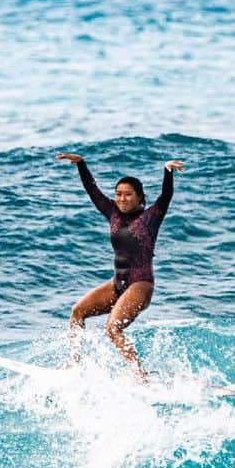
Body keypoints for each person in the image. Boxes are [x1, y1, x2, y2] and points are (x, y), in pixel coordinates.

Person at [56, 152, 184, 379]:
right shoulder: (112, 212)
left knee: (112, 329)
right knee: (77, 313)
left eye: (128, 195)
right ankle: (74, 365)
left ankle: (140, 376)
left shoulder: (151, 217)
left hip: (140, 284)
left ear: (139, 197)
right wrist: (81, 165)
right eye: (118, 194)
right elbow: (92, 190)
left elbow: (166, 195)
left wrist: (167, 172)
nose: (122, 199)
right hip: (118, 283)